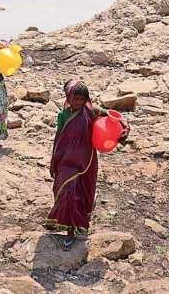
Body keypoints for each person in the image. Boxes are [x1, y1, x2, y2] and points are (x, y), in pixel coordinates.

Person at [44, 80, 129, 250]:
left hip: (84, 160)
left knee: (75, 193)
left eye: (81, 99)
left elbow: (114, 119)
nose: (78, 103)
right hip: (65, 159)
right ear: (68, 97)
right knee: (61, 190)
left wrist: (123, 131)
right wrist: (54, 160)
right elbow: (59, 137)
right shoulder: (63, 115)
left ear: (86, 99)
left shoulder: (91, 111)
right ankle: (63, 222)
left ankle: (71, 232)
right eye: (75, 99)